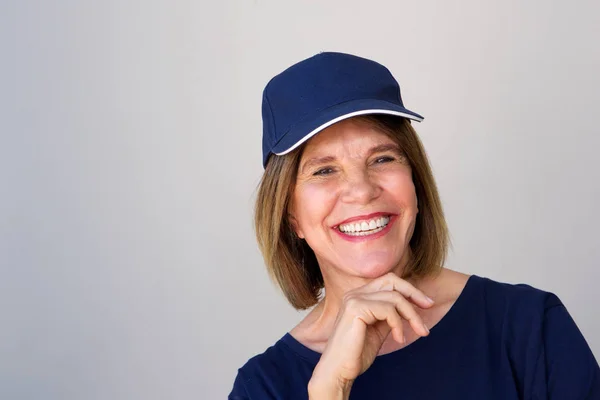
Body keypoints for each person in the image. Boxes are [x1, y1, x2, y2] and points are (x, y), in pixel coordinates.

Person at [228, 52, 600, 399]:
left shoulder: (529, 327)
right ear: (291, 216)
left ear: (415, 184)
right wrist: (331, 389)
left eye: (382, 159)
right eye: (324, 170)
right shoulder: (263, 387)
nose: (361, 190)